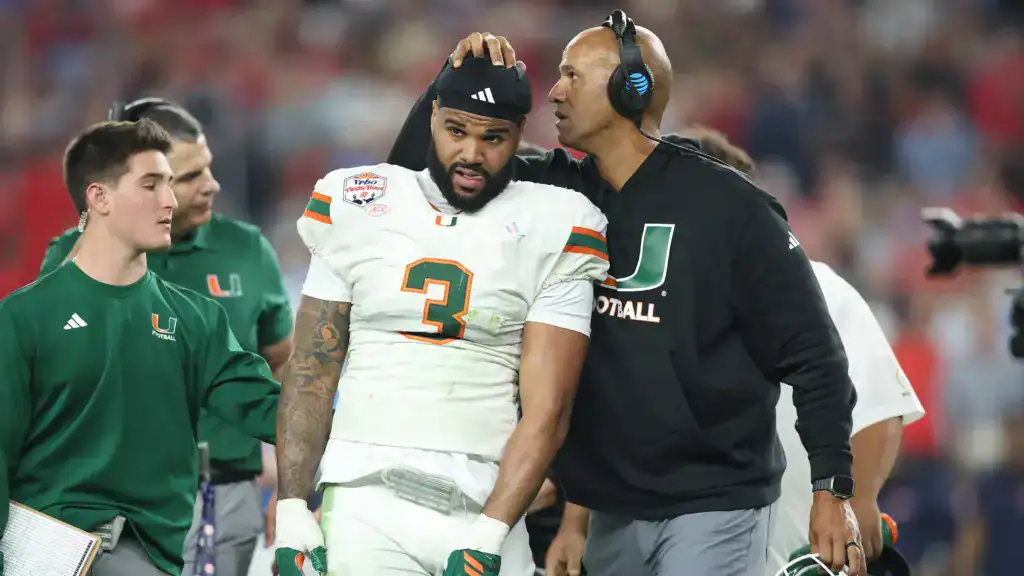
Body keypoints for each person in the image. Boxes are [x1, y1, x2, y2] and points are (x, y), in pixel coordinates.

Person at [385, 11, 863, 576]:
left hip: (713, 502)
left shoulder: (730, 207)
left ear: (627, 89)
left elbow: (815, 356)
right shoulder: (556, 189)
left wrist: (832, 490)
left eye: (571, 76)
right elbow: (415, 172)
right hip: (610, 509)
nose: (554, 91)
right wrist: (454, 77)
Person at [272, 55, 609, 576]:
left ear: (521, 132)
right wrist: (293, 505)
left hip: (487, 500)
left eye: (493, 138)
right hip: (367, 499)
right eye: (456, 130)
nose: (471, 154)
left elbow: (550, 409)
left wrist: (490, 534)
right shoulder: (358, 199)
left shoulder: (558, 221)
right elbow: (314, 367)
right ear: (432, 116)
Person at [0, 119, 280, 576]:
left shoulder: (197, 320)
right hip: (45, 552)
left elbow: (272, 410)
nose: (169, 200)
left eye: (169, 184)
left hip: (147, 552)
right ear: (99, 197)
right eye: (150, 184)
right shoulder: (24, 317)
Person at [672, 128, 927, 575]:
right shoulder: (642, 298)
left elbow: (880, 408)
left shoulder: (818, 285)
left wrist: (859, 496)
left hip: (799, 556)